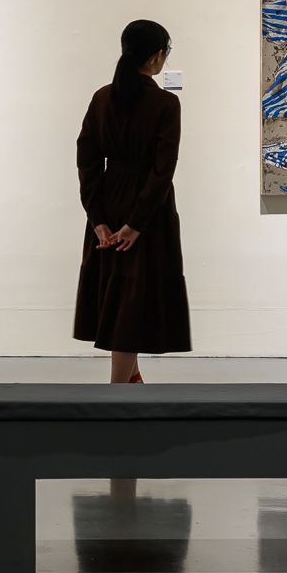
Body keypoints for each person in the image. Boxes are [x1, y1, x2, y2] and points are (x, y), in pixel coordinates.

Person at [73, 19, 190, 382]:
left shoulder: (102, 98)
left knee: (120, 291)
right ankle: (118, 389)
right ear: (156, 56)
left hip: (109, 199)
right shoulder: (166, 103)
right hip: (148, 208)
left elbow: (87, 160)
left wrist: (97, 217)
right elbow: (162, 170)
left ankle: (133, 378)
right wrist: (137, 223)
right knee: (132, 299)